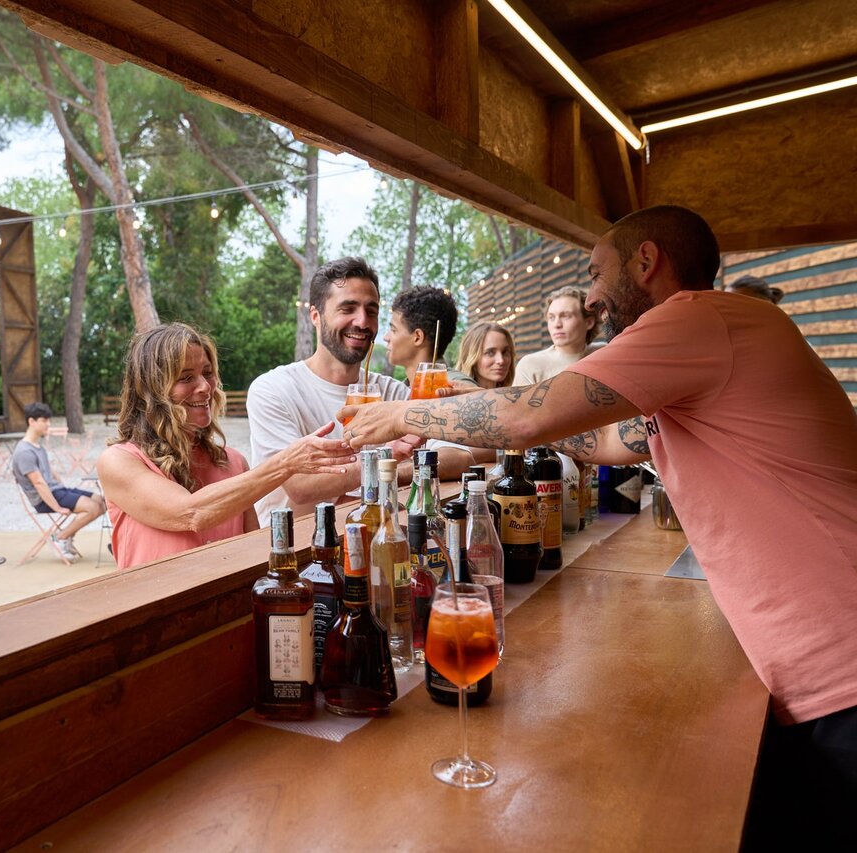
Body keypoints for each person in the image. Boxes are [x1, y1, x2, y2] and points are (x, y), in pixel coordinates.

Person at [339, 204, 857, 844]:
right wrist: (456, 403)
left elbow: (531, 420)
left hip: (840, 663)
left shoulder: (696, 319)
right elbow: (607, 439)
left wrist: (406, 418)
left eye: (595, 272)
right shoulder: (715, 340)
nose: (589, 297)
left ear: (646, 262)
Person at [97, 323, 353, 570]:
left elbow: (255, 554)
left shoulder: (233, 462)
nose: (205, 387)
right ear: (151, 391)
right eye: (186, 377)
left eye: (207, 373)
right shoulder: (119, 461)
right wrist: (286, 463)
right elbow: (191, 513)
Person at [246, 257, 472, 525]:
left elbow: (460, 457)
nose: (363, 322)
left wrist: (388, 471)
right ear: (315, 316)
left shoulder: (393, 391)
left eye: (372, 311)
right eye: (348, 308)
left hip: (380, 541)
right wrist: (385, 460)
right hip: (296, 552)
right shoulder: (274, 389)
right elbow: (299, 486)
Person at [13, 402, 107, 562]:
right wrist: (56, 507)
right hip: (44, 499)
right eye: (44, 420)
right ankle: (60, 537)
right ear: (31, 422)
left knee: (101, 501)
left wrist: (64, 488)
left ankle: (67, 535)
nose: (48, 424)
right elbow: (39, 484)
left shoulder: (37, 447)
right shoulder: (24, 452)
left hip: (56, 490)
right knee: (92, 508)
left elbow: (49, 471)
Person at [383, 284, 477, 386]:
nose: (386, 338)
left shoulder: (455, 386)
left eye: (393, 330)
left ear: (418, 337)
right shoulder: (402, 390)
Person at [512, 285, 604, 385]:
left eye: (565, 316)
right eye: (551, 317)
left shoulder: (604, 353)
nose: (557, 324)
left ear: (589, 322)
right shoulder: (530, 365)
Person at [454, 320, 515, 390]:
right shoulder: (456, 398)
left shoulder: (514, 396)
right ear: (471, 357)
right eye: (490, 353)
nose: (501, 360)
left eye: (505, 352)